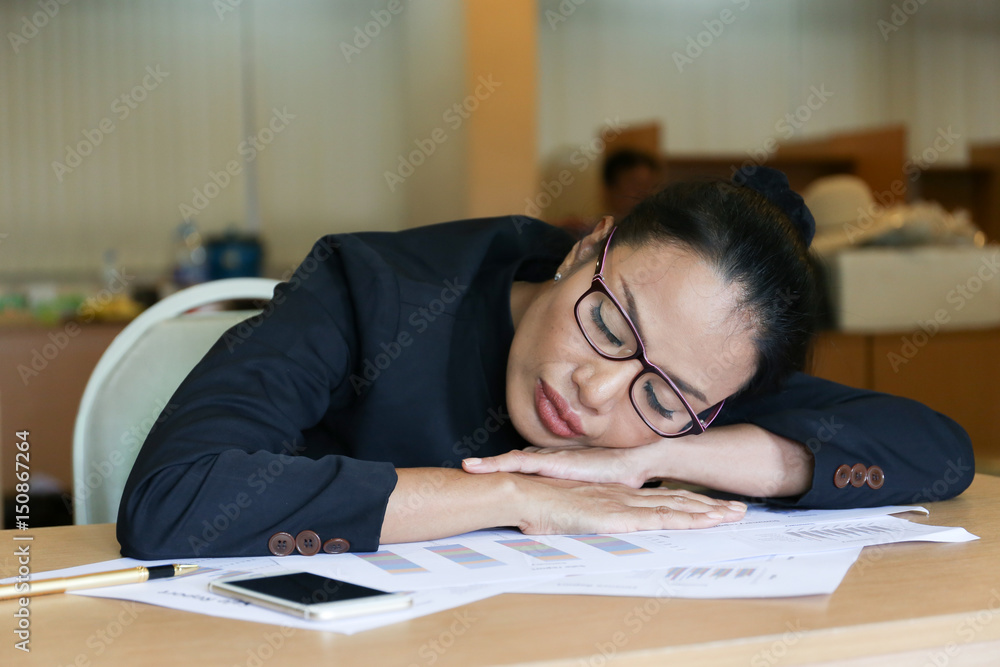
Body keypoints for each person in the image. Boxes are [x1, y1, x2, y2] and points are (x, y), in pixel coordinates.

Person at [117, 168, 974, 559]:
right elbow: (175, 497)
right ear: (586, 249)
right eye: (608, 320)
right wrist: (521, 494)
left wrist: (662, 454)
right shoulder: (369, 288)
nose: (596, 391)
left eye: (665, 395)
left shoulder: (690, 392)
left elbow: (936, 451)